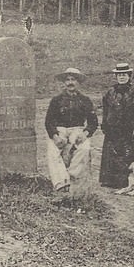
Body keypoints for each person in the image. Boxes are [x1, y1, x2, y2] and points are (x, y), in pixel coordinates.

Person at [99, 63, 134, 189]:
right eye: (119, 75)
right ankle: (111, 181)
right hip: (114, 128)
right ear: (116, 76)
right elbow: (106, 110)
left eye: (124, 75)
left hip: (130, 128)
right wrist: (105, 124)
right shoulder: (110, 92)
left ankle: (131, 181)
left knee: (131, 152)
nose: (122, 77)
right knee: (112, 153)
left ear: (129, 76)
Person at [44, 67, 98, 196]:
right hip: (60, 130)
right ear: (64, 82)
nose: (70, 83)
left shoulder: (85, 100)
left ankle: (73, 178)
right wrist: (55, 136)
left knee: (84, 148)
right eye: (67, 80)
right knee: (53, 150)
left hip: (78, 130)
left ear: (78, 82)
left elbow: (93, 122)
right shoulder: (56, 100)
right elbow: (49, 121)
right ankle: (61, 183)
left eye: (73, 79)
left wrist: (85, 134)